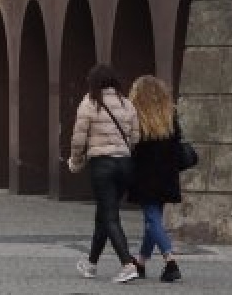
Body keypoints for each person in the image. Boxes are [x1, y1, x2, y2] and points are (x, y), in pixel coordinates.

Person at [67, 64, 140, 283]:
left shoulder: (89, 103)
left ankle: (127, 264)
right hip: (125, 164)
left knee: (109, 216)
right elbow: (136, 137)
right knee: (104, 215)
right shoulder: (127, 104)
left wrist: (76, 161)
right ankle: (91, 264)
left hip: (102, 165)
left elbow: (79, 138)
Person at [126, 75, 184, 282]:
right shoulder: (170, 115)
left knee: (152, 217)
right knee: (153, 219)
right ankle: (140, 262)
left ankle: (170, 260)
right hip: (167, 174)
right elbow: (177, 143)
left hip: (145, 175)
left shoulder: (136, 116)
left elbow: (131, 147)